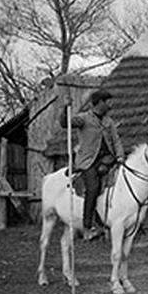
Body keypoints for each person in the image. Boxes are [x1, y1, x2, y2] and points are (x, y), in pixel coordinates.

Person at [60, 88, 125, 241]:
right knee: (93, 188)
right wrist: (65, 107)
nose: (110, 104)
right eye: (108, 101)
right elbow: (65, 123)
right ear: (100, 102)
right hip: (88, 161)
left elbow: (116, 140)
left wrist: (120, 156)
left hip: (107, 160)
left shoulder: (109, 122)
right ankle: (87, 227)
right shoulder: (84, 118)